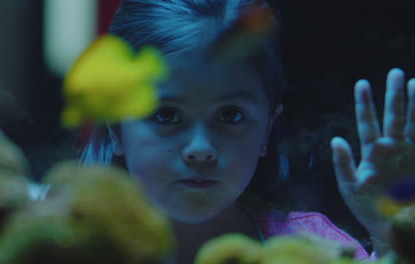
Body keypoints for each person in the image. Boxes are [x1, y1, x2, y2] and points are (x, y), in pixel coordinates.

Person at [79, 0, 415, 263]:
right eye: (167, 115)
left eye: (229, 115)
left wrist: (392, 239)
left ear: (268, 128)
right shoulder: (64, 243)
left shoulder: (315, 251)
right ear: (115, 129)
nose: (201, 149)